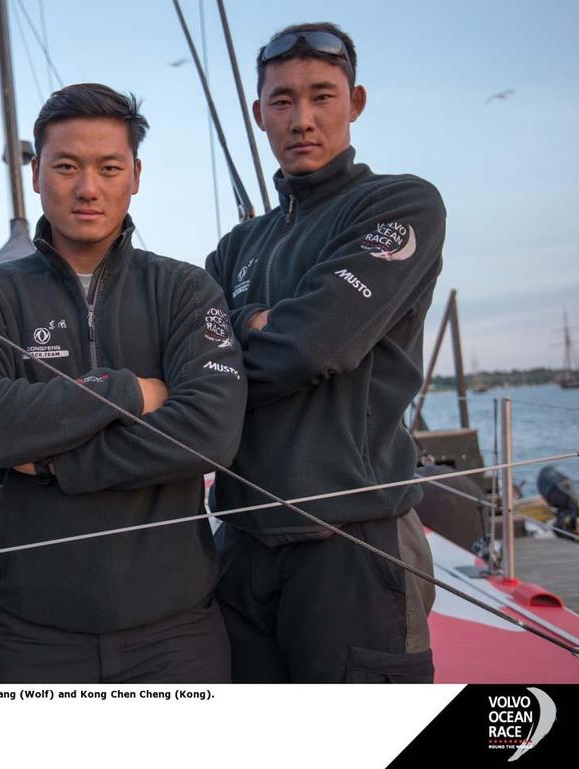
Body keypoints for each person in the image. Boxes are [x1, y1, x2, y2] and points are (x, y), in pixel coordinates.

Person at [0, 83, 247, 684]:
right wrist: (124, 392)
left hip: (175, 633)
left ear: (136, 175)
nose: (87, 188)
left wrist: (52, 464)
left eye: (109, 167)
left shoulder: (184, 291)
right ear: (36, 173)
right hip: (29, 635)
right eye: (66, 166)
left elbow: (208, 432)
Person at [206, 22, 443, 683]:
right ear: (259, 114)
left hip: (355, 544)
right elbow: (191, 357)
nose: (302, 119)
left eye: (322, 96)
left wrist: (250, 329)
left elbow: (307, 348)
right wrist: (263, 324)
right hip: (243, 545)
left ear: (355, 102)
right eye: (282, 101)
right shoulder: (236, 247)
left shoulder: (398, 205)